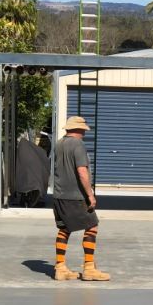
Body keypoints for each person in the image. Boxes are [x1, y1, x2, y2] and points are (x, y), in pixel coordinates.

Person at [52, 116, 110, 282]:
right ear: (78, 129)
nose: (84, 132)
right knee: (92, 226)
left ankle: (60, 268)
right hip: (75, 196)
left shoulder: (59, 144)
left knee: (64, 228)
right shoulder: (78, 145)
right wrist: (90, 194)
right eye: (83, 129)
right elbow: (82, 171)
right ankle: (89, 268)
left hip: (59, 195)